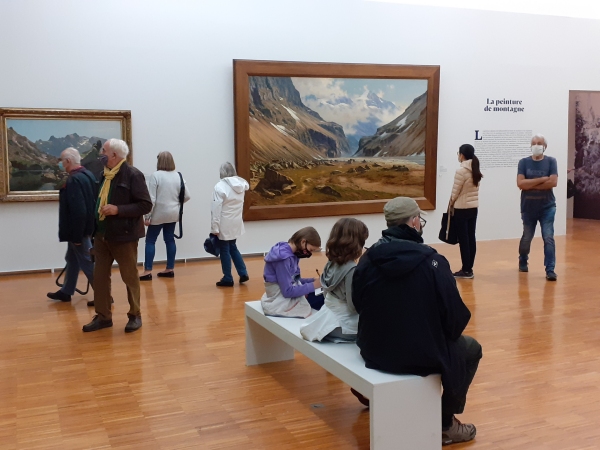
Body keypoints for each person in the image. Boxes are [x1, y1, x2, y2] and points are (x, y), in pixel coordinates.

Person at [352, 197, 482, 446]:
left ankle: (375, 396)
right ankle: (445, 423)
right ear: (413, 222)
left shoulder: (368, 259)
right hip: (422, 354)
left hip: (374, 349)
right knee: (471, 349)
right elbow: (455, 320)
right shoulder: (433, 262)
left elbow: (358, 303)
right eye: (419, 219)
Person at [82, 138, 152, 333]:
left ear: (114, 155)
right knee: (100, 277)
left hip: (124, 236)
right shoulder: (102, 175)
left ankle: (135, 315)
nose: (100, 154)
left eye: (103, 151)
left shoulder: (133, 175)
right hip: (102, 235)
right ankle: (103, 316)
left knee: (129, 277)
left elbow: (145, 205)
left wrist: (117, 209)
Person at [300, 218, 368, 343]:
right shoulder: (351, 270)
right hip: (343, 325)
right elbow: (353, 306)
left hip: (327, 317)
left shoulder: (331, 263)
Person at [47, 148, 97, 303]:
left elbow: (79, 211)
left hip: (79, 231)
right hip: (86, 227)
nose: (60, 163)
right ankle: (66, 291)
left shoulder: (73, 180)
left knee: (87, 262)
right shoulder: (88, 175)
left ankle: (105, 296)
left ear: (68, 161)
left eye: (61, 160)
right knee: (72, 259)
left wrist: (76, 236)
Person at [139, 151, 190, 281]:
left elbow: (152, 199)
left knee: (150, 240)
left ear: (159, 161)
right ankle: (170, 269)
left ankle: (147, 271)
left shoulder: (156, 176)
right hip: (173, 214)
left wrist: (147, 216)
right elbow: (187, 196)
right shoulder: (178, 176)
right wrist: (175, 203)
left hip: (158, 214)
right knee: (169, 240)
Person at [517, 134, 558, 281]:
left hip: (547, 206)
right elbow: (520, 184)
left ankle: (550, 269)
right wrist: (542, 179)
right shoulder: (523, 162)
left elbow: (553, 182)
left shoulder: (551, 161)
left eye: (539, 143)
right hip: (528, 207)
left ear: (544, 146)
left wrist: (531, 183)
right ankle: (523, 258)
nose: (536, 145)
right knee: (527, 237)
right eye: (534, 143)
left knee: (548, 237)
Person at [261, 226, 323, 318]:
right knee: (322, 299)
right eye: (310, 250)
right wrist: (314, 285)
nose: (310, 254)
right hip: (278, 297)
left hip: (285, 292)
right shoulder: (283, 258)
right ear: (303, 242)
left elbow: (295, 279)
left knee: (322, 296)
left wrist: (312, 280)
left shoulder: (293, 254)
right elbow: (287, 291)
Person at [210, 162, 250, 287]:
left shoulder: (220, 186)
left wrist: (214, 227)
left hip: (224, 223)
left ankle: (228, 277)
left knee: (224, 250)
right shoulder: (241, 185)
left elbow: (216, 210)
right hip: (236, 222)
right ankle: (243, 272)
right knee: (233, 247)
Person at [449, 144, 483, 279]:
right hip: (473, 208)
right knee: (470, 238)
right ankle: (469, 269)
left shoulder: (461, 171)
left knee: (464, 240)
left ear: (462, 155)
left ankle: (466, 270)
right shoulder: (475, 169)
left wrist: (451, 204)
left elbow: (455, 192)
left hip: (461, 209)